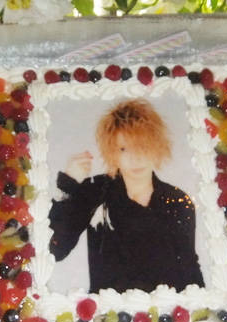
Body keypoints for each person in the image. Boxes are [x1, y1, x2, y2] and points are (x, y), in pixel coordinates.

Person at [49, 98, 204, 294]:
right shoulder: (96, 191)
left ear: (156, 147)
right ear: (112, 153)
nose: (135, 158)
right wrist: (67, 186)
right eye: (124, 149)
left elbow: (188, 267)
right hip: (108, 311)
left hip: (165, 310)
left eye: (143, 147)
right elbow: (55, 250)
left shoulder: (177, 202)